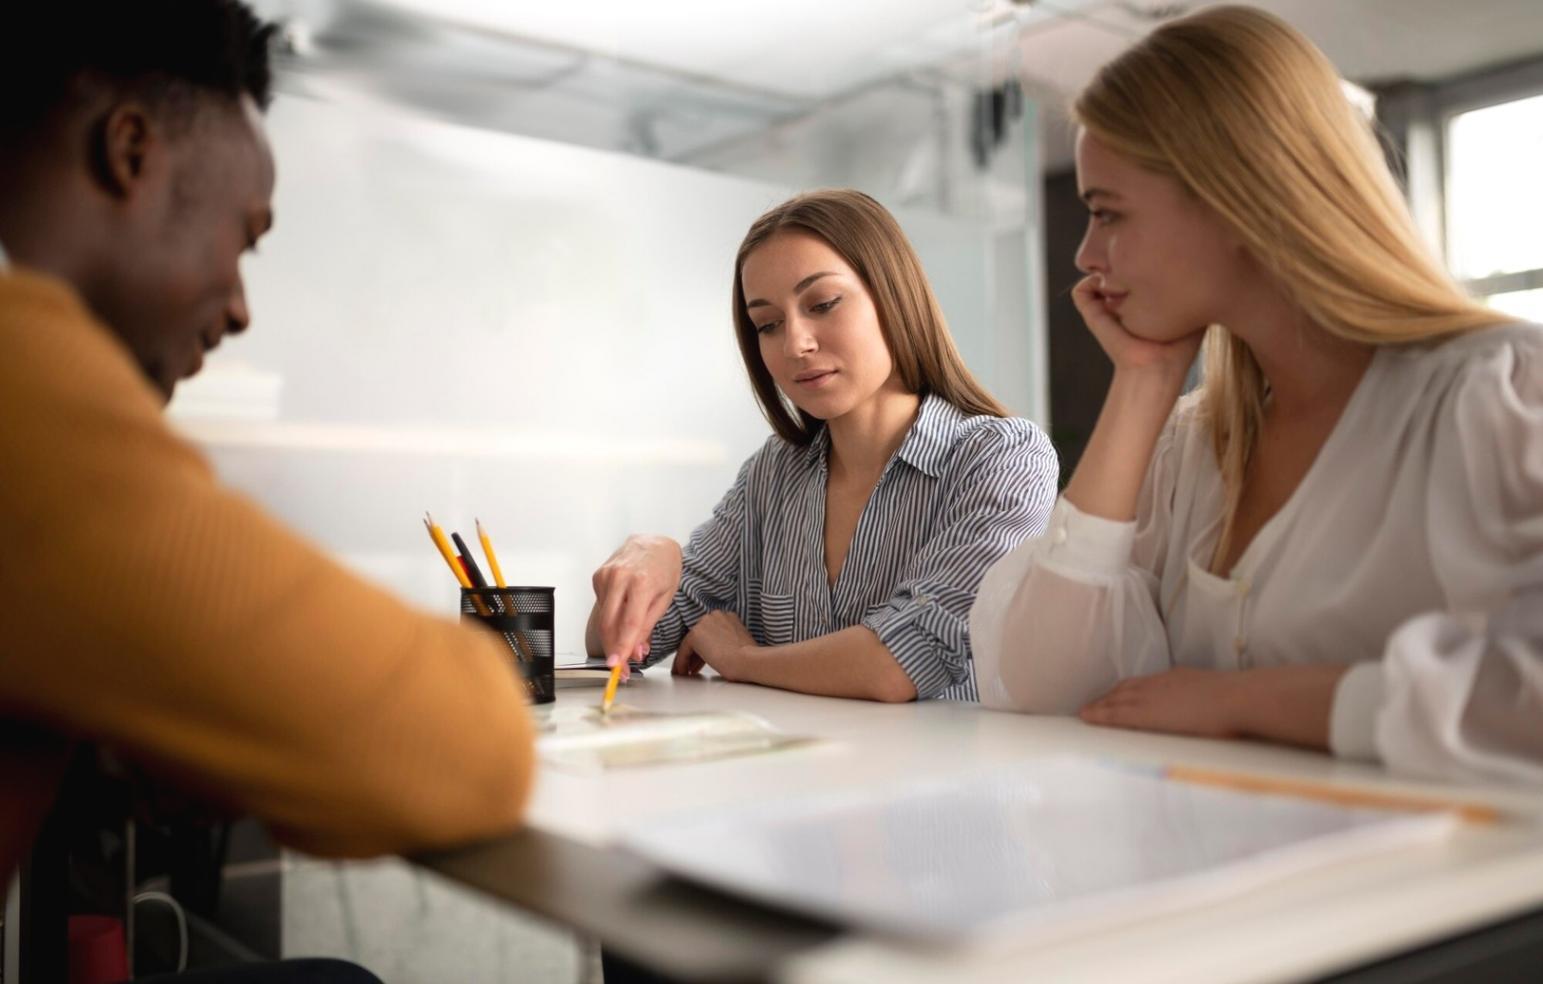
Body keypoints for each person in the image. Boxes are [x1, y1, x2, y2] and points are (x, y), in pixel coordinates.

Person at [0, 0, 537, 902]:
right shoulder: (24, 383)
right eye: (241, 238)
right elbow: (466, 745)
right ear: (129, 152)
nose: (241, 306)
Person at [969, 5, 1543, 783]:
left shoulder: (1495, 392)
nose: (1084, 254)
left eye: (1106, 213)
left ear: (1236, 199)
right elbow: (1048, 684)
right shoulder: (1189, 443)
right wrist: (1140, 383)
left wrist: (1248, 701)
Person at [587, 190, 1058, 702]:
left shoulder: (1003, 457)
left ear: (893, 295)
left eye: (823, 304)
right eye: (768, 324)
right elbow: (623, 647)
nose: (795, 344)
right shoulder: (773, 473)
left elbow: (900, 664)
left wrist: (744, 660)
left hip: (943, 780)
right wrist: (654, 557)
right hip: (798, 777)